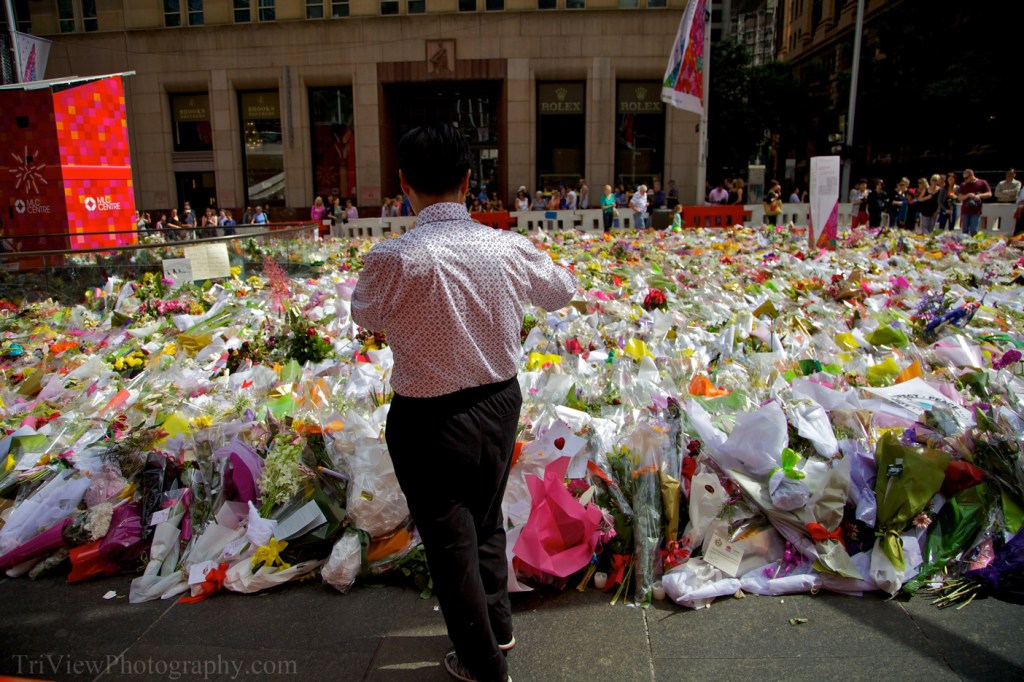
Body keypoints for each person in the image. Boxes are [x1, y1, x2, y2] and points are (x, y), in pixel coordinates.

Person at [351, 123, 575, 682]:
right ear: (469, 181)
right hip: (499, 404)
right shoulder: (505, 246)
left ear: (404, 183)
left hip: (428, 419)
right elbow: (561, 291)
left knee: (451, 541)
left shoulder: (394, 257)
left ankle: (483, 662)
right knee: (486, 518)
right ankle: (498, 626)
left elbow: (364, 315)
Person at [957, 168, 992, 236]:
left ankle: (973, 244)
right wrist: (968, 195)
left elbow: (989, 194)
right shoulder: (963, 185)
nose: (965, 180)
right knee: (965, 230)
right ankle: (964, 244)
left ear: (971, 175)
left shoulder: (982, 182)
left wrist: (979, 195)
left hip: (976, 210)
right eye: (964, 178)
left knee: (974, 230)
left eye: (966, 178)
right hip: (965, 210)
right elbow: (960, 197)